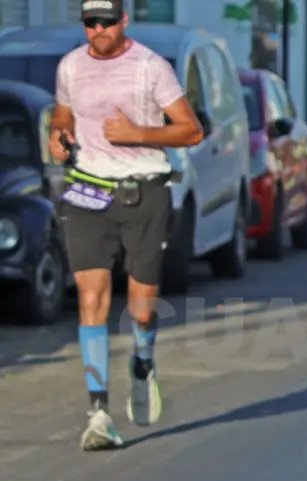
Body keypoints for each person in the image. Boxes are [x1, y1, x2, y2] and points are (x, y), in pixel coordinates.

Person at [49, 0, 203, 450]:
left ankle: (143, 360)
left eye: (107, 22)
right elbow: (63, 116)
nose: (98, 30)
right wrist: (58, 138)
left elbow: (190, 131)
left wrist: (138, 133)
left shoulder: (150, 68)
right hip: (89, 193)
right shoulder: (70, 67)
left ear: (124, 22)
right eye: (90, 22)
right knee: (91, 297)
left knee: (140, 304)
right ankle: (98, 412)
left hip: (144, 193)